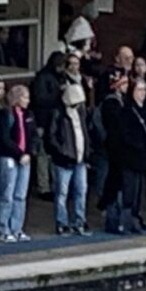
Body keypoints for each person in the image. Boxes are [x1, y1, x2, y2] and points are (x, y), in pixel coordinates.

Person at [0, 85, 37, 244]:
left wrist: (29, 153)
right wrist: (19, 154)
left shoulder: (29, 114)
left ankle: (17, 228)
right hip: (9, 158)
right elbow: (4, 138)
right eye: (25, 97)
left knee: (21, 195)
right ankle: (3, 229)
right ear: (17, 98)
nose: (28, 100)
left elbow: (32, 136)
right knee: (7, 195)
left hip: (25, 158)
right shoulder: (5, 115)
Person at [49, 84, 91, 236]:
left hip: (80, 159)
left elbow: (84, 133)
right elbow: (52, 136)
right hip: (65, 160)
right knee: (62, 192)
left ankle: (80, 220)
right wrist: (62, 151)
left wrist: (87, 152)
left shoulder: (81, 112)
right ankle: (62, 222)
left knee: (81, 190)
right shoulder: (59, 113)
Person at [118, 80, 146, 234]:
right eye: (139, 90)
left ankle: (137, 217)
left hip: (142, 158)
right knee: (130, 190)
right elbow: (123, 134)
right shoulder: (127, 111)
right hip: (130, 157)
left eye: (144, 90)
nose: (142, 93)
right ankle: (127, 221)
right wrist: (137, 144)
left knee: (140, 191)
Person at [31, 52, 68, 200]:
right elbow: (39, 100)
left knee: (52, 154)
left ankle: (54, 185)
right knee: (43, 154)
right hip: (44, 120)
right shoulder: (43, 78)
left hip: (55, 120)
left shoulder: (57, 77)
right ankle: (44, 187)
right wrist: (59, 93)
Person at [97, 73, 129, 233]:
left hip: (116, 148)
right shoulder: (111, 104)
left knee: (115, 183)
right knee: (113, 184)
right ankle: (112, 218)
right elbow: (115, 126)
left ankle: (115, 217)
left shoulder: (120, 102)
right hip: (112, 148)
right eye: (123, 84)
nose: (126, 86)